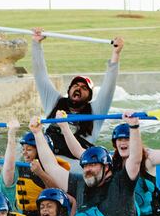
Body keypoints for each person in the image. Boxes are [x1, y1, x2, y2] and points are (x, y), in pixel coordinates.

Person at [28, 113, 144, 216]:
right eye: (85, 166)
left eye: (93, 165)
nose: (87, 170)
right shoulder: (81, 184)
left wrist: (134, 127)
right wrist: (38, 133)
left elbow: (136, 160)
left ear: (107, 168)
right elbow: (51, 166)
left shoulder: (122, 182)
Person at [55, 112, 160, 216]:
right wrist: (64, 126)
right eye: (119, 139)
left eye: (127, 139)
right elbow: (79, 152)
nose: (123, 142)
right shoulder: (111, 161)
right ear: (115, 143)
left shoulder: (147, 158)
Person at [31, 27, 124, 163]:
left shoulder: (97, 111)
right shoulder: (53, 102)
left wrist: (116, 54)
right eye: (75, 85)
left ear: (90, 96)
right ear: (68, 90)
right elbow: (40, 76)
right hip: (49, 160)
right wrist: (36, 44)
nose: (78, 89)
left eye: (84, 88)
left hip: (77, 165)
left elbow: (109, 86)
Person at [15, 131, 69, 216]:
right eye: (23, 149)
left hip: (44, 214)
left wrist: (40, 173)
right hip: (26, 213)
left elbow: (58, 192)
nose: (24, 152)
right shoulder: (23, 166)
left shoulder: (51, 169)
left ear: (40, 152)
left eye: (29, 149)